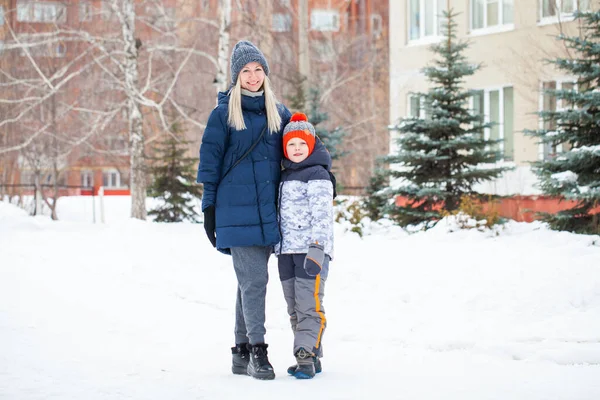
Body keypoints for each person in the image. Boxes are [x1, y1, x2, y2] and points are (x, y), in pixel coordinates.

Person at [196, 40, 291, 380]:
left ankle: (240, 352)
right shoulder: (223, 114)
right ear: (237, 77)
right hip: (234, 211)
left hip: (268, 212)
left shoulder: (279, 113)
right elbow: (209, 163)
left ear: (265, 73)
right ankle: (258, 352)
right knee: (255, 281)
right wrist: (209, 208)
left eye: (258, 70)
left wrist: (323, 171)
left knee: (248, 282)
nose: (253, 77)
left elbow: (304, 145)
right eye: (246, 72)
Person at [275, 112, 334, 379]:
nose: (296, 149)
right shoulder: (286, 175)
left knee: (309, 305)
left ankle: (304, 355)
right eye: (291, 145)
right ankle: (310, 353)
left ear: (310, 145)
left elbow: (322, 215)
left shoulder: (318, 174)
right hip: (287, 251)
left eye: (301, 144)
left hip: (311, 251)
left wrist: (317, 248)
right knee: (294, 307)